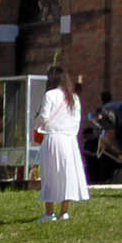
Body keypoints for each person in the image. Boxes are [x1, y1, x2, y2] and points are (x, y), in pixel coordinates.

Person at [35, 65, 90, 221]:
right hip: (69, 140)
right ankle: (64, 212)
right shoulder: (74, 98)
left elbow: (44, 117)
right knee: (68, 175)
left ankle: (49, 212)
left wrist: (37, 124)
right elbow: (76, 121)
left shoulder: (50, 95)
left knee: (50, 175)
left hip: (53, 138)